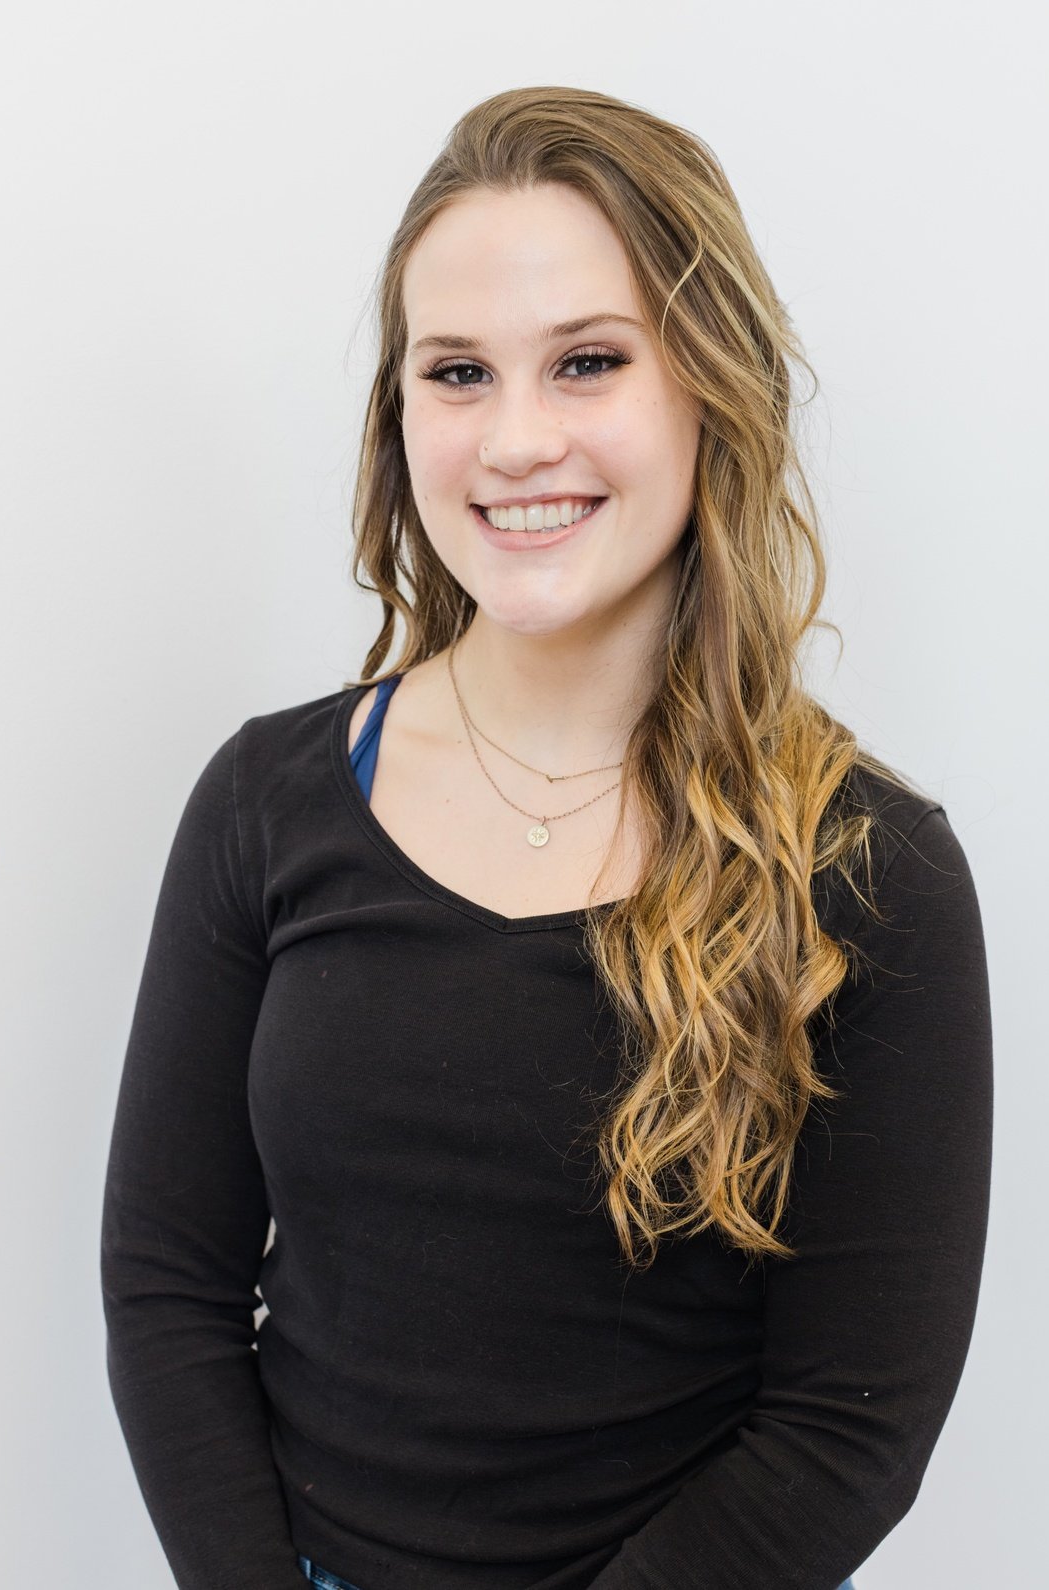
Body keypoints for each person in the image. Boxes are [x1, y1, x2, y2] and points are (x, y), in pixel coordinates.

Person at [99, 85, 992, 1590]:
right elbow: (169, 1286)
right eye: (457, 372)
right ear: (402, 417)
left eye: (587, 360)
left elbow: (852, 1426)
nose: (517, 439)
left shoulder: (871, 870)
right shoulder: (266, 802)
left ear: (710, 385)